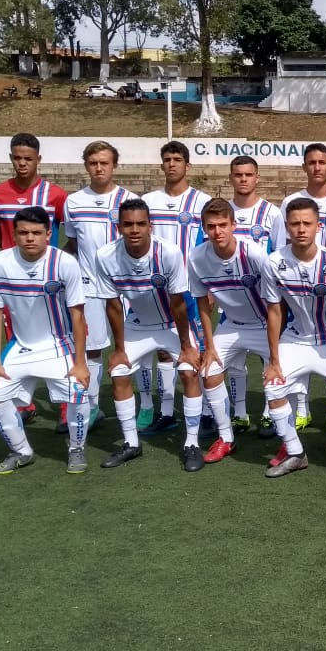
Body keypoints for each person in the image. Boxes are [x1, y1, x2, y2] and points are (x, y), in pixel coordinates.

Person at [91, 199, 206, 472]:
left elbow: (178, 303)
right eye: (128, 224)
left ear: (150, 226)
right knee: (119, 371)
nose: (135, 230)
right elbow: (113, 305)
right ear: (118, 227)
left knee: (189, 370)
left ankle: (192, 444)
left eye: (141, 224)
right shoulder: (105, 256)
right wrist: (119, 349)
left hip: (171, 323)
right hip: (138, 324)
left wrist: (186, 346)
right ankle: (131, 443)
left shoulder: (169, 252)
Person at [0, 206, 90, 475]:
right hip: (20, 346)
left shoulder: (64, 263)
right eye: (23, 232)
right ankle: (21, 451)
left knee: (78, 390)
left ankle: (76, 448)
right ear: (14, 234)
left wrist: (80, 363)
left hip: (58, 345)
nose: (30, 238)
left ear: (48, 234)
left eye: (36, 232)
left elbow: (77, 315)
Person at [0, 132, 68, 425]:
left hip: (49, 281)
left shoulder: (55, 195)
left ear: (38, 159)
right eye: (17, 158)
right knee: (15, 336)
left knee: (59, 337)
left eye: (28, 158)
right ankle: (22, 401)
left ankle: (65, 404)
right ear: (11, 158)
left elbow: (68, 231)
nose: (22, 163)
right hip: (13, 282)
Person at [261, 198, 326, 477]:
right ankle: (296, 453)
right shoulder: (274, 262)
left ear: (318, 226)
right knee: (273, 387)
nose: (301, 229)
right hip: (295, 339)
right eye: (295, 223)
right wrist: (273, 360)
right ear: (287, 227)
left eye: (307, 223)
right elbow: (274, 312)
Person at [188, 199, 270, 465]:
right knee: (208, 371)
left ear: (234, 225)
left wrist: (277, 336)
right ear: (204, 228)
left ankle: (283, 433)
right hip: (231, 325)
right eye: (211, 226)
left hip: (264, 324)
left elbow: (276, 298)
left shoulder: (254, 253)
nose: (217, 231)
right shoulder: (197, 257)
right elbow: (202, 303)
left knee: (281, 376)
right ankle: (226, 437)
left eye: (223, 225)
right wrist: (208, 346)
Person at [63, 140, 137, 430]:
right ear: (86, 166)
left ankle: (142, 407)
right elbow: (73, 243)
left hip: (125, 289)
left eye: (104, 163)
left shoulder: (129, 200)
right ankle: (93, 407)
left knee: (131, 348)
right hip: (88, 288)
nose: (99, 168)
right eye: (93, 163)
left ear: (114, 166)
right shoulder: (73, 202)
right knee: (91, 349)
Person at [275, 143, 326, 438]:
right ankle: (302, 409)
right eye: (312, 162)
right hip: (298, 280)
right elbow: (282, 244)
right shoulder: (291, 201)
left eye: (322, 162)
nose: (317, 167)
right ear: (304, 166)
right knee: (299, 338)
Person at [140, 141, 212, 435]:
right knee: (163, 351)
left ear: (187, 165)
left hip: (191, 288)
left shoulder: (202, 202)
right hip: (156, 290)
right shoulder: (148, 201)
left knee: (199, 349)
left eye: (177, 159)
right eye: (167, 159)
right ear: (162, 165)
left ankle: (207, 411)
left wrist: (208, 287)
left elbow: (208, 246)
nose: (172, 164)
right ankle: (167, 412)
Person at [225, 156, 282, 434]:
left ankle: (270, 411)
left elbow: (280, 256)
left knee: (268, 355)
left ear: (257, 178)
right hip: (230, 298)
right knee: (235, 359)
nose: (243, 179)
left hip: (263, 300)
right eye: (238, 174)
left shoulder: (272, 213)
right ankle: (239, 413)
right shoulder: (223, 212)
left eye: (248, 174)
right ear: (231, 178)